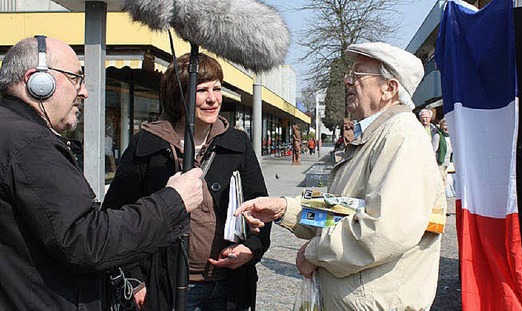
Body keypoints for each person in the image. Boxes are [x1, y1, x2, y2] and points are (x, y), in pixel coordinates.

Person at [236, 42, 445, 310]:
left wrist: (314, 253)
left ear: (389, 88)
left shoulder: (402, 136)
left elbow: (384, 230)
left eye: (358, 75)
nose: (347, 81)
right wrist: (286, 208)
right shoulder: (375, 135)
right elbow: (339, 208)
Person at [0, 36, 204, 311]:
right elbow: (86, 241)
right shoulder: (29, 144)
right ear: (38, 81)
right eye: (76, 79)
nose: (84, 91)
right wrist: (174, 201)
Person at [102, 53, 270, 311]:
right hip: (164, 288)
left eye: (217, 88)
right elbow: (114, 217)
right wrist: (135, 281)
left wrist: (251, 248)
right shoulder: (147, 144)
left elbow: (261, 210)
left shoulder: (237, 143)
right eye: (202, 90)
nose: (212, 98)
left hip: (229, 288)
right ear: (179, 96)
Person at [433, 118, 453, 183]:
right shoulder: (438, 136)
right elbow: (433, 151)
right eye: (445, 125)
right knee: (440, 183)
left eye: (448, 125)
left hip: (447, 164)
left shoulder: (451, 137)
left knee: (445, 182)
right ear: (441, 126)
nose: (446, 128)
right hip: (439, 164)